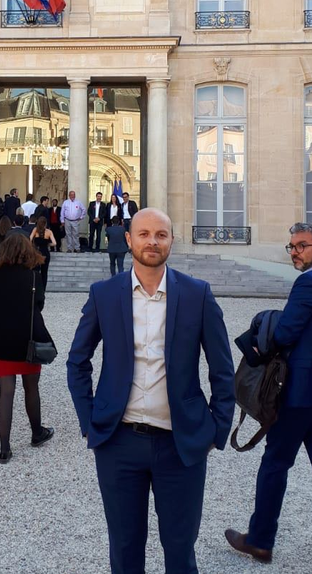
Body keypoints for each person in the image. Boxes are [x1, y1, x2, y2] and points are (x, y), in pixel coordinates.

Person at [67, 208, 235, 574]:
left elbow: (223, 369)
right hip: (119, 442)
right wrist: (88, 421)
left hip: (181, 444)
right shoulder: (104, 295)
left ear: (172, 240)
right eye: (144, 234)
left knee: (179, 549)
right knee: (125, 550)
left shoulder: (197, 295)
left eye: (161, 234)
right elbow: (77, 362)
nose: (152, 241)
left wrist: (217, 429)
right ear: (128, 240)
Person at [225, 223, 312, 574]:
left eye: (302, 245)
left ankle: (260, 540)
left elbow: (285, 333)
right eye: (291, 246)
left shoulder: (310, 282)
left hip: (300, 397)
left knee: (275, 464)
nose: (295, 251)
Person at [0, 235, 55, 463]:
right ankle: (36, 432)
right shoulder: (34, 275)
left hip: (0, 335)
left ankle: (4, 448)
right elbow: (39, 304)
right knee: (31, 388)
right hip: (27, 335)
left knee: (6, 392)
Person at [30, 216, 57, 290]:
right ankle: (43, 288)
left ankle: (36, 287)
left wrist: (33, 244)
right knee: (44, 272)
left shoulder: (35, 230)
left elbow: (30, 239)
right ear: (45, 223)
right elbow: (54, 243)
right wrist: (48, 244)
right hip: (45, 252)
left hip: (37, 252)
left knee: (36, 271)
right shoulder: (49, 232)